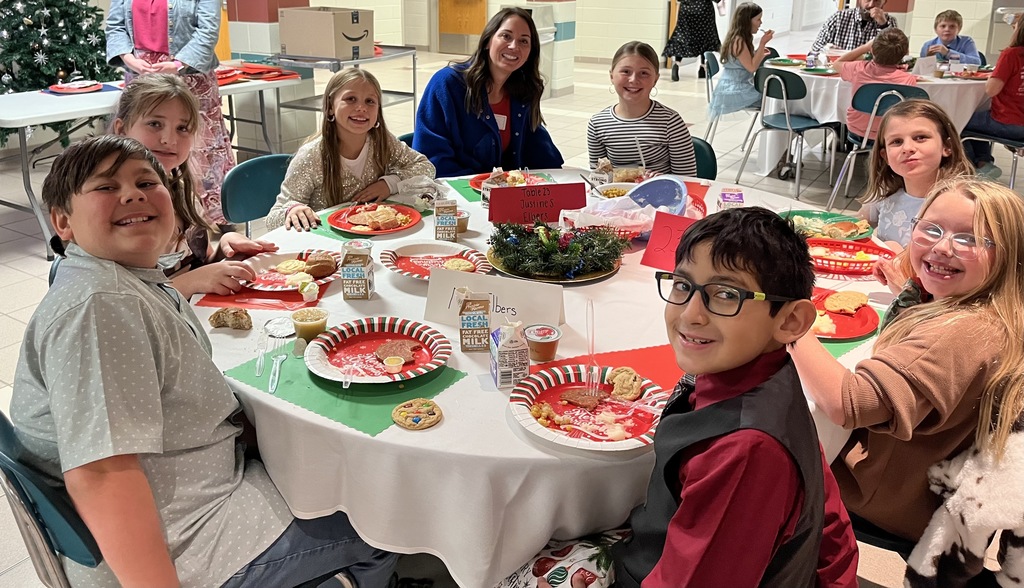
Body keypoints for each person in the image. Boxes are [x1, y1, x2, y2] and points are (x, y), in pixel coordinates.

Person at [10, 135, 399, 588]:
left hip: (200, 489)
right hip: (188, 538)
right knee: (383, 517)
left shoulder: (121, 280)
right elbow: (101, 474)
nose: (132, 195)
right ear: (63, 222)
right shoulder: (101, 306)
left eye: (146, 182)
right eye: (106, 187)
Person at [520, 208, 860, 588]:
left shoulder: (746, 449)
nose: (691, 314)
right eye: (683, 285)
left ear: (790, 321)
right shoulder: (769, 377)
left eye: (726, 295)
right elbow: (826, 508)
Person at [792, 175, 1024, 550]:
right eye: (931, 229)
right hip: (931, 484)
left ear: (1009, 254)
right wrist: (911, 289)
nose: (942, 247)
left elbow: (848, 403)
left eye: (970, 238)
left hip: (885, 494)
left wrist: (790, 318)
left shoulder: (961, 332)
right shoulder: (995, 314)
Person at [111, 73, 277, 298]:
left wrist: (224, 250)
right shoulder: (116, 206)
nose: (169, 140)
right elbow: (124, 304)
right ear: (121, 129)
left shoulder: (183, 190)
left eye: (182, 128)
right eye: (154, 124)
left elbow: (201, 263)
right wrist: (190, 282)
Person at [106, 0, 236, 226]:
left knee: (200, 152)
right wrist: (130, 60)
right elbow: (115, 27)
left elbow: (208, 30)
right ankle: (151, 213)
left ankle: (214, 220)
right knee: (142, 149)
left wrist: (176, 65)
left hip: (190, 77)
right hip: (143, 78)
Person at [267, 69, 435, 231]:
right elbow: (273, 218)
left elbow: (426, 167)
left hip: (374, 237)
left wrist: (389, 184)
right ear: (330, 106)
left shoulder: (382, 141)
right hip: (326, 240)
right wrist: (293, 210)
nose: (361, 108)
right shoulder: (311, 156)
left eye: (370, 101)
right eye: (351, 99)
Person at [413, 7, 564, 177]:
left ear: (530, 52)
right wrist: (485, 186)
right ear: (487, 41)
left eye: (524, 41)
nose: (514, 46)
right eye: (506, 36)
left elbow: (542, 153)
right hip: (455, 188)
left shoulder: (522, 92)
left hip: (503, 189)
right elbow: (432, 159)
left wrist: (562, 181)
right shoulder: (448, 84)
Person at [857, 100, 973, 248]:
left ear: (947, 146)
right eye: (897, 141)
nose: (907, 148)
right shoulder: (885, 194)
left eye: (920, 137)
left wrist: (897, 255)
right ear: (885, 156)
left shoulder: (960, 204)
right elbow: (856, 226)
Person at [587, 41, 697, 176]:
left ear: (655, 79)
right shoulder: (598, 124)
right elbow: (599, 177)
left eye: (644, 73)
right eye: (626, 72)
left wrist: (662, 179)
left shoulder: (670, 122)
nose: (633, 80)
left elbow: (687, 179)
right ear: (611, 76)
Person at [961, 17, 1024, 180]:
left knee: (957, 121)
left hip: (1009, 121)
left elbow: (991, 90)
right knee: (979, 120)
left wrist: (995, 75)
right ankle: (984, 163)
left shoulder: (1012, 54)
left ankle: (975, 168)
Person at [834, 29, 918, 141]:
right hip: (891, 133)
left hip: (858, 129)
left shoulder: (859, 69)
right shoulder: (908, 80)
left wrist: (865, 47)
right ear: (906, 53)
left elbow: (836, 64)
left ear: (872, 50)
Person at [708, 3, 773, 120]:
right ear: (747, 21)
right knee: (773, 97)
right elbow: (752, 68)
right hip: (734, 90)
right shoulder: (739, 41)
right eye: (758, 19)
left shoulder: (738, 37)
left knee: (771, 95)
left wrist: (759, 52)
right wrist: (762, 43)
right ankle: (775, 126)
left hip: (731, 87)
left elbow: (746, 61)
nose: (761, 23)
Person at [663, 0, 723, 81]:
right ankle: (703, 67)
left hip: (686, 10)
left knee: (682, 37)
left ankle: (677, 64)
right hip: (704, 9)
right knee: (705, 37)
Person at [810, 0, 898, 53]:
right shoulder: (839, 17)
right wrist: (828, 49)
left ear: (884, 2)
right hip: (840, 69)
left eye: (877, 0)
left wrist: (883, 25)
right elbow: (816, 46)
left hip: (871, 73)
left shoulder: (890, 21)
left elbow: (895, 53)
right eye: (867, 0)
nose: (871, 4)